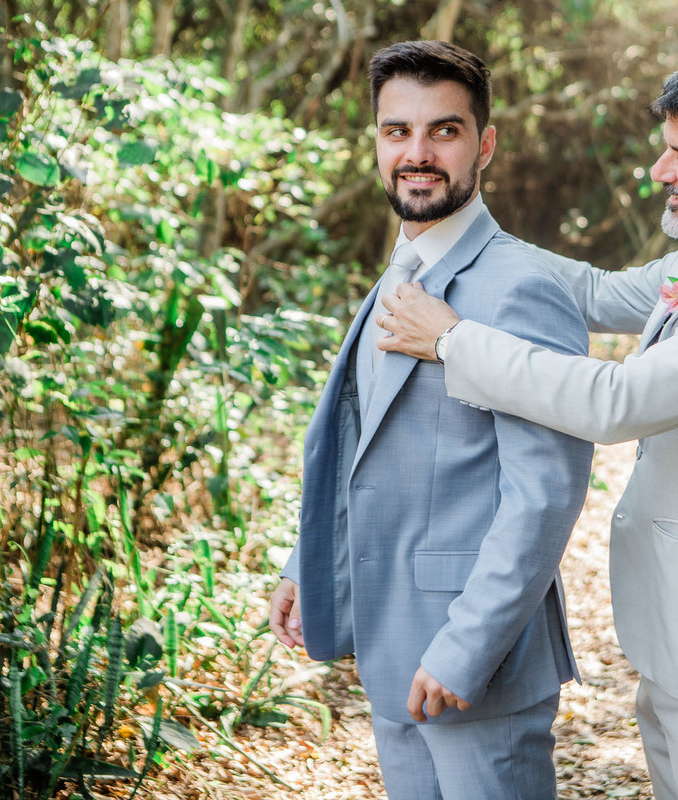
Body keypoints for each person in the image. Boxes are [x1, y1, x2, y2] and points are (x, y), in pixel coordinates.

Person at [378, 50, 678, 800]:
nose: (661, 170)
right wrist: (468, 241)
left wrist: (453, 339)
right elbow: (596, 289)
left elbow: (614, 403)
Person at [268, 40, 592, 800]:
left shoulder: (519, 288)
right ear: (376, 142)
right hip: (390, 646)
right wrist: (306, 565)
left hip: (476, 663)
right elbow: (370, 443)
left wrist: (466, 649)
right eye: (396, 132)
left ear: (484, 145)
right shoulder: (402, 267)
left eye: (443, 131)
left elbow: (543, 494)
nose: (417, 154)